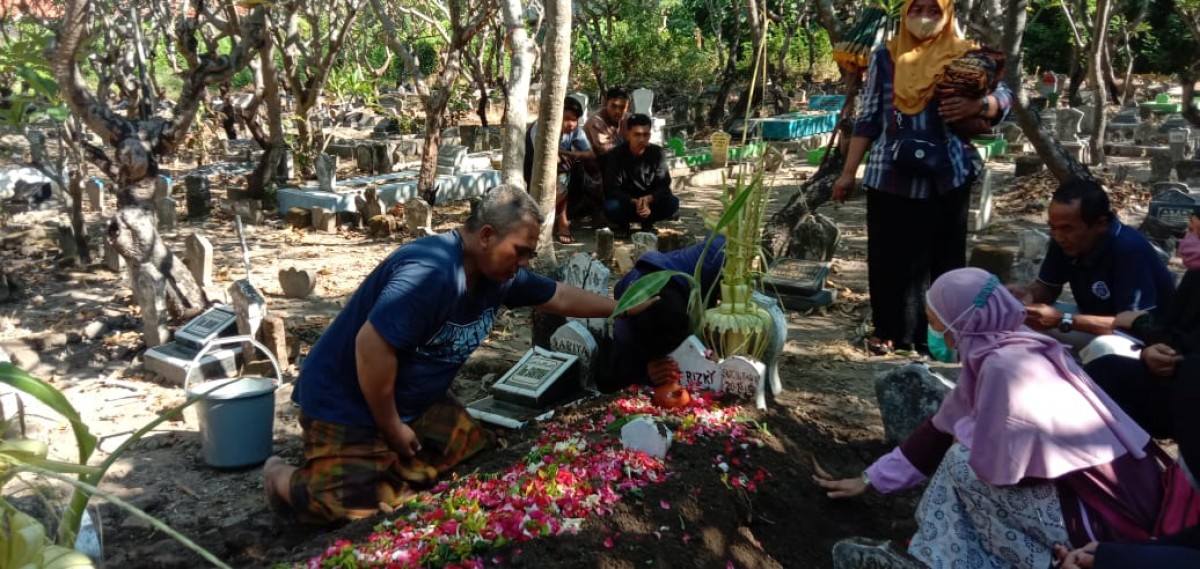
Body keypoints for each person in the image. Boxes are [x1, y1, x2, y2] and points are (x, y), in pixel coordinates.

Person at [264, 185, 649, 524]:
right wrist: (392, 425)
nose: (524, 263)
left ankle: (382, 463)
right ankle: (282, 477)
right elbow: (371, 346)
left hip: (418, 399)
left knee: (472, 461)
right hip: (348, 400)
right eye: (520, 251)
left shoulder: (500, 274)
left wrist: (621, 306)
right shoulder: (432, 272)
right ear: (485, 235)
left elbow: (558, 296)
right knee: (348, 508)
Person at [815, 268, 1164, 568]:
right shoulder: (1009, 344)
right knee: (958, 463)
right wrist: (870, 478)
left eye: (937, 320)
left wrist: (968, 435)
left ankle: (1013, 559)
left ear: (963, 320)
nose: (936, 330)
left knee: (961, 463)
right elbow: (941, 426)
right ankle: (936, 553)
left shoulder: (1004, 366)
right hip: (1103, 501)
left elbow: (1007, 472)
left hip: (1099, 520)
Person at [831, 0, 1012, 356]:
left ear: (947, 12)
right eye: (917, 6)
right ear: (905, 12)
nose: (924, 13)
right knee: (889, 257)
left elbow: (1005, 97)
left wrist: (980, 106)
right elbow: (869, 117)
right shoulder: (887, 56)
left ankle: (941, 335)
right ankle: (890, 331)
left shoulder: (967, 56)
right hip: (890, 174)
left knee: (944, 259)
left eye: (933, 7)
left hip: (947, 173)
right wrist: (847, 173)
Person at [1008, 179, 1175, 346]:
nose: (1058, 236)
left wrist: (1063, 320)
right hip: (1091, 321)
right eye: (1053, 227)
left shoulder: (1128, 249)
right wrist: (1028, 296)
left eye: (1067, 228)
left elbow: (1134, 325)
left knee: (1103, 347)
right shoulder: (1063, 240)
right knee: (1019, 318)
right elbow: (1049, 288)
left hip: (1147, 339)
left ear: (1100, 224)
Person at [606, 234, 726, 392]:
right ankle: (625, 259)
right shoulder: (625, 331)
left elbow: (725, 234)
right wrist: (644, 373)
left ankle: (624, 256)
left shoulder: (712, 258)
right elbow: (610, 379)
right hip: (633, 283)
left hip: (672, 267)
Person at [523, 96, 604, 244]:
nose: (571, 124)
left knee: (568, 169)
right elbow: (542, 158)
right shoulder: (540, 128)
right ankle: (561, 222)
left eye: (574, 120)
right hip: (533, 170)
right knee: (562, 171)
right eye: (567, 118)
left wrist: (566, 153)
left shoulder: (574, 131)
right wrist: (559, 158)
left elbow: (590, 153)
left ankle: (551, 218)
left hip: (562, 173)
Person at [602, 113, 680, 236]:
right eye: (637, 134)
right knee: (610, 206)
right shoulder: (616, 155)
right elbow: (612, 188)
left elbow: (664, 184)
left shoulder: (657, 153)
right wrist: (634, 201)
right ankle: (623, 225)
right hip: (627, 203)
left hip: (650, 202)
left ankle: (648, 223)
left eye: (646, 134)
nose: (642, 139)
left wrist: (649, 199)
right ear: (628, 134)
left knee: (672, 203)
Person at [583, 86, 630, 158]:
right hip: (595, 163)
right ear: (605, 104)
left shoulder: (627, 119)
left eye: (622, 107)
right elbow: (606, 151)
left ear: (628, 108)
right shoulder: (596, 121)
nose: (617, 111)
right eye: (613, 106)